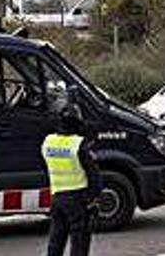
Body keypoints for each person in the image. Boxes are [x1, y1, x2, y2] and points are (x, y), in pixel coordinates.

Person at [42, 104, 101, 256]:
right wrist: (92, 199)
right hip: (77, 199)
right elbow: (94, 175)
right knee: (79, 242)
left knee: (56, 240)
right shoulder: (79, 145)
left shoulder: (48, 142)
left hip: (57, 198)